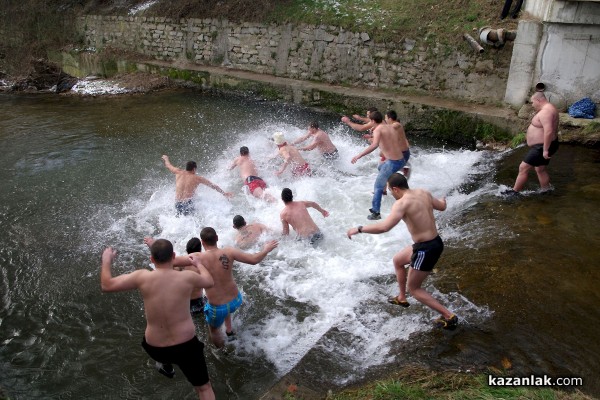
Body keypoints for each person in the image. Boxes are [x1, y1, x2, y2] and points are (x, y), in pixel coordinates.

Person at [100, 240, 216, 399]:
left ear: (152, 260)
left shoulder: (142, 277)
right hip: (186, 347)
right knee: (204, 388)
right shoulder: (187, 277)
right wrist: (198, 264)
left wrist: (106, 260)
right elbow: (209, 282)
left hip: (155, 348)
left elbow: (106, 285)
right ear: (174, 256)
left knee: (160, 350)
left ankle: (164, 364)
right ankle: (167, 363)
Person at [346, 173, 457, 330]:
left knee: (415, 289)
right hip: (433, 242)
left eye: (390, 191)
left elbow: (384, 227)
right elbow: (442, 207)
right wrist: (444, 200)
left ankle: (448, 316)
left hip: (425, 249)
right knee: (398, 260)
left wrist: (359, 229)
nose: (391, 194)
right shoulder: (423, 192)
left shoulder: (401, 203)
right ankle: (401, 297)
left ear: (396, 189)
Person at [187, 227, 278, 348]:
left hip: (217, 308)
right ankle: (229, 331)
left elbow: (173, 262)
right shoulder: (230, 251)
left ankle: (222, 349)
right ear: (217, 238)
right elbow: (254, 260)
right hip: (236, 300)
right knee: (227, 309)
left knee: (214, 331)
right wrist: (266, 249)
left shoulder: (199, 258)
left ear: (202, 242)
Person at [351, 111, 406, 220]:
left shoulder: (378, 129)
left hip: (392, 162)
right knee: (381, 167)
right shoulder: (389, 127)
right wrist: (371, 135)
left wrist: (359, 155)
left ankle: (376, 213)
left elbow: (375, 145)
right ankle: (398, 192)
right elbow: (386, 138)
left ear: (372, 121)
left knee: (377, 186)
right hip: (401, 160)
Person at [509, 92, 559, 193]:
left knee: (523, 168)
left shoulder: (546, 112)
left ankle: (514, 192)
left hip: (541, 147)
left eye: (532, 102)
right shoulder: (550, 108)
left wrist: (545, 150)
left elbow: (548, 131)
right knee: (540, 169)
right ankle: (546, 191)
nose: (532, 105)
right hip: (545, 145)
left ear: (538, 100)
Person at [162, 155, 233, 216]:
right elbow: (213, 186)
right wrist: (224, 193)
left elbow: (168, 165)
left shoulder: (178, 172)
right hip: (188, 204)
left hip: (178, 203)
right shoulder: (197, 178)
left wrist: (166, 158)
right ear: (194, 169)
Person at [385, 110, 412, 180]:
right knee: (386, 171)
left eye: (386, 118)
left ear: (390, 119)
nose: (385, 120)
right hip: (398, 153)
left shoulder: (397, 124)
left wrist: (379, 129)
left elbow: (394, 126)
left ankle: (404, 171)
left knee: (388, 172)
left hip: (402, 153)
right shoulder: (391, 127)